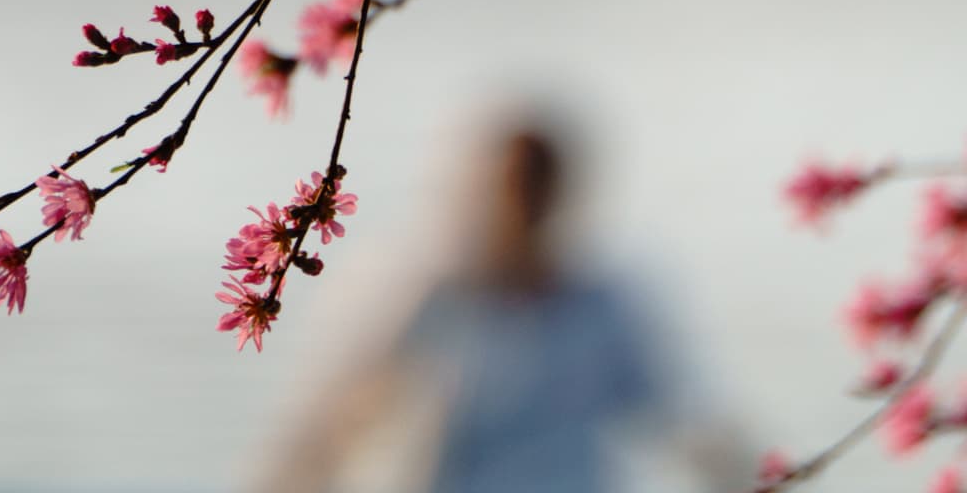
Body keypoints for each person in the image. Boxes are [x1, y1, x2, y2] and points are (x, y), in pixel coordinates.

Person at [254, 117, 747, 493]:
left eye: (538, 189)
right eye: (513, 188)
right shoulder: (432, 295)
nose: (524, 207)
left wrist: (758, 478)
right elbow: (336, 421)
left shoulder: (604, 305)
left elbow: (687, 421)